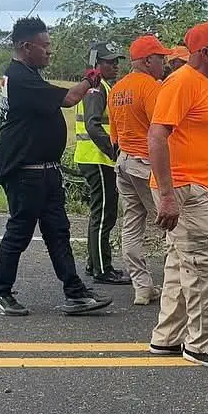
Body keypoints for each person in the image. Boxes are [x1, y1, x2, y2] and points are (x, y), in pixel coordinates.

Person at [0, 16, 113, 316]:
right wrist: (90, 80)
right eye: (45, 46)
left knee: (58, 231)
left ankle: (75, 292)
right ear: (25, 46)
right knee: (19, 232)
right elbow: (68, 99)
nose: (49, 52)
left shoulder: (28, 74)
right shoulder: (19, 77)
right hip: (25, 171)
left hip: (45, 170)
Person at [147, 22, 208, 369]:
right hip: (186, 188)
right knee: (204, 265)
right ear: (204, 53)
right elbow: (157, 136)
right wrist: (169, 194)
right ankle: (200, 343)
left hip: (194, 186)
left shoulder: (200, 84)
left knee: (181, 264)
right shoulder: (183, 81)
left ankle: (168, 336)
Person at [107, 35, 172, 305]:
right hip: (147, 165)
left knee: (133, 224)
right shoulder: (152, 88)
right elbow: (162, 132)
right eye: (160, 59)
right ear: (147, 60)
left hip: (123, 162)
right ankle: (174, 288)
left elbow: (113, 136)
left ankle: (142, 287)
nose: (164, 64)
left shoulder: (117, 89)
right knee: (171, 223)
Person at [73, 42, 130, 285]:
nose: (114, 66)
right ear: (95, 64)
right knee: (104, 213)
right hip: (96, 158)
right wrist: (113, 151)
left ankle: (93, 263)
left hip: (95, 157)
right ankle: (102, 269)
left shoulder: (103, 87)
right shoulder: (96, 90)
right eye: (108, 62)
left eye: (116, 61)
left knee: (102, 212)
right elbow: (93, 125)